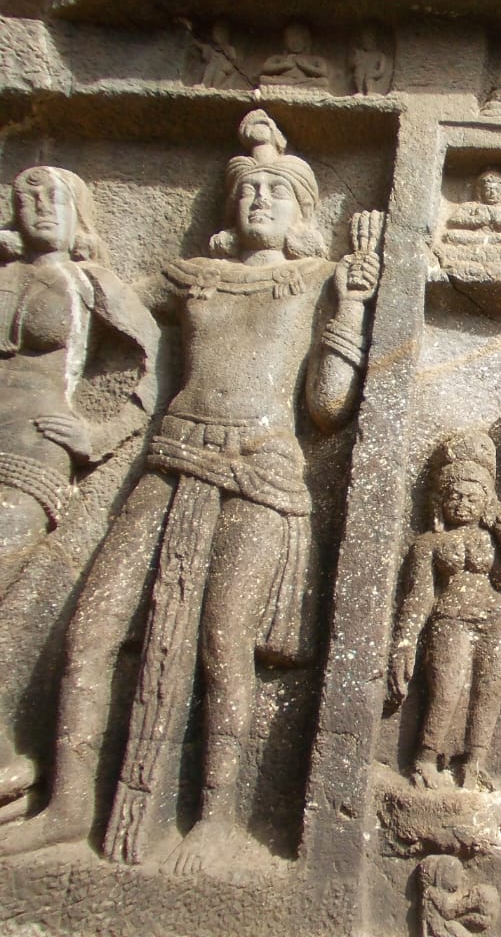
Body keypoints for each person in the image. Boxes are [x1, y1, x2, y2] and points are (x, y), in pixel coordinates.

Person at [0, 110, 379, 872]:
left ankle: (219, 817)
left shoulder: (313, 279)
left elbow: (328, 408)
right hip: (172, 458)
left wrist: (352, 306)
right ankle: (68, 806)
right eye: (248, 190)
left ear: (304, 211)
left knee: (224, 641)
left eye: (277, 190)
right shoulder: (190, 276)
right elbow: (101, 310)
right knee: (92, 630)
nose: (260, 199)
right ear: (228, 208)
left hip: (260, 469)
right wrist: (103, 425)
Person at [0, 166, 158, 807]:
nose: (40, 205)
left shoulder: (89, 281)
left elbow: (151, 362)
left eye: (53, 196)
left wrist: (100, 434)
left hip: (31, 447)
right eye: (26, 195)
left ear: (79, 212)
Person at [388, 431, 501, 792]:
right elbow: (419, 596)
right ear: (440, 500)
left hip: (498, 620)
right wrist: (405, 642)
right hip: (450, 619)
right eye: (454, 496)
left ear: (486, 500)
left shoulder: (493, 538)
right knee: (446, 689)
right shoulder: (429, 544)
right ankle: (425, 757)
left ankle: (474, 762)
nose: (463, 504)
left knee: (489, 690)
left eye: (472, 497)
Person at [259, 23, 330, 88]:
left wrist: (306, 67)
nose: (295, 44)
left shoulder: (314, 59)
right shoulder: (280, 58)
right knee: (263, 79)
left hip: (304, 81)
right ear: (285, 42)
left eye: (298, 40)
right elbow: (265, 68)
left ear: (306, 41)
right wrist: (285, 65)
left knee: (323, 82)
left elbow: (323, 72)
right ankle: (295, 86)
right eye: (291, 41)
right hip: (284, 80)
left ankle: (297, 86)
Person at [350, 26, 392, 96]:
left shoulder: (379, 55)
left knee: (369, 74)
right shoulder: (362, 54)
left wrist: (374, 72)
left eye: (368, 40)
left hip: (372, 73)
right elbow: (352, 65)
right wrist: (357, 57)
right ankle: (359, 91)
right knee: (359, 70)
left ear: (374, 41)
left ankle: (370, 91)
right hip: (362, 72)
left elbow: (381, 70)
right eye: (364, 41)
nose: (366, 43)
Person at [197, 21, 238, 89]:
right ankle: (205, 85)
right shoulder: (213, 47)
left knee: (218, 74)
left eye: (219, 33)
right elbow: (204, 48)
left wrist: (226, 67)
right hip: (212, 65)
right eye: (214, 32)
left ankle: (215, 87)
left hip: (222, 69)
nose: (215, 35)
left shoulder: (229, 48)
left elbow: (233, 61)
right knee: (209, 70)